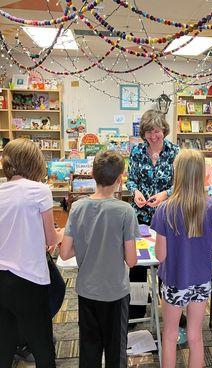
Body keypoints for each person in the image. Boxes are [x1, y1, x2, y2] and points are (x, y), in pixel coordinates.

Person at [59, 151, 139, 368]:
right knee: (116, 350)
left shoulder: (77, 207)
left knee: (89, 347)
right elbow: (131, 260)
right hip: (115, 292)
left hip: (87, 290)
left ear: (92, 175)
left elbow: (65, 253)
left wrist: (88, 243)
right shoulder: (126, 211)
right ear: (120, 178)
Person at [151, 149, 212, 368]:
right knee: (195, 335)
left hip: (174, 281)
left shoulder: (164, 210)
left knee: (170, 335)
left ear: (177, 174)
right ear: (202, 174)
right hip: (201, 281)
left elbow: (160, 255)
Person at [0, 138, 63, 368]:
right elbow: (50, 239)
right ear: (34, 162)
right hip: (29, 279)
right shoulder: (40, 190)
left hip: (1, 278)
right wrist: (63, 232)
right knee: (43, 348)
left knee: (4, 345)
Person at [126, 109, 179, 320]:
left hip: (167, 215)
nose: (153, 136)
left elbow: (181, 184)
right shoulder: (137, 151)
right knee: (138, 264)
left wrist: (166, 194)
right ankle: (137, 308)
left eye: (156, 131)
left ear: (164, 130)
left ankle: (168, 307)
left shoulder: (175, 152)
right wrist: (136, 192)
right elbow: (130, 179)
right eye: (148, 132)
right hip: (140, 215)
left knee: (165, 260)